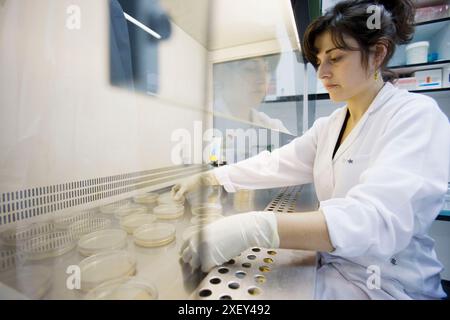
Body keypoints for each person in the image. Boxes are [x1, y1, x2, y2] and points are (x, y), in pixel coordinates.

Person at [173, 0, 450, 299]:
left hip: (390, 284)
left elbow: (375, 219)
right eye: (319, 60)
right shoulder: (330, 125)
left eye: (336, 58)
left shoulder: (416, 116)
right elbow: (276, 163)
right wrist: (214, 177)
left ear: (377, 54)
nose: (322, 73)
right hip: (335, 265)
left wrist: (254, 227)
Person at [213, 56, 292, 134]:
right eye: (250, 68)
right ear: (224, 74)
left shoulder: (267, 124)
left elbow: (296, 145)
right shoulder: (208, 119)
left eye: (267, 69)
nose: (263, 79)